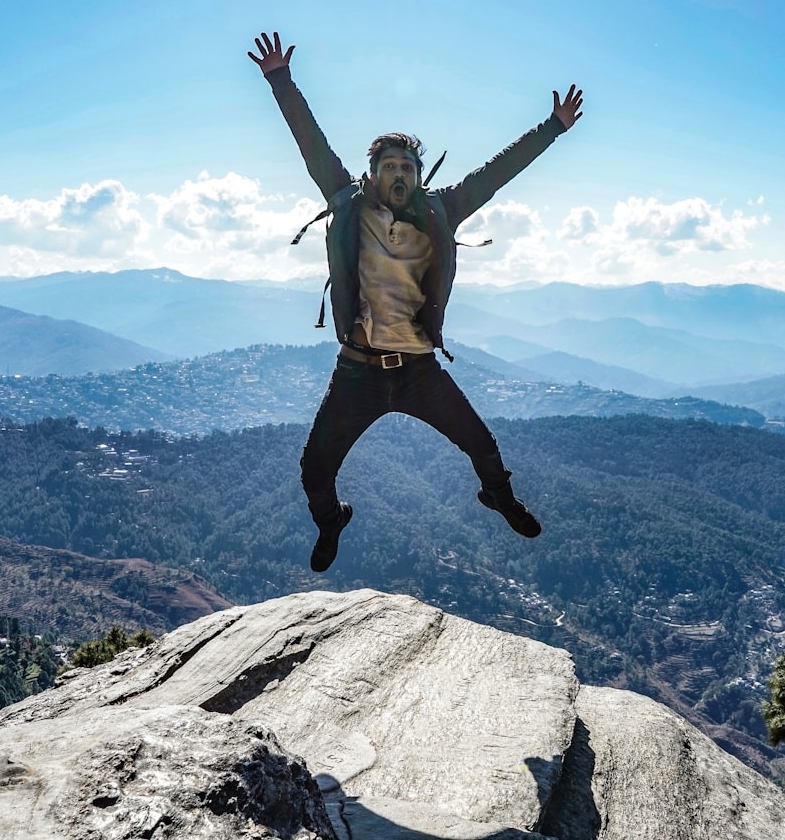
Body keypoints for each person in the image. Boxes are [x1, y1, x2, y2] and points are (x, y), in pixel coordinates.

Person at [249, 31, 584, 572]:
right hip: (357, 370)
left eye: (407, 167)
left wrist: (552, 129)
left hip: (418, 368)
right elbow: (311, 143)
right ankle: (332, 519)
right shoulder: (346, 202)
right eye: (390, 167)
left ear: (417, 174)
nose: (399, 174)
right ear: (373, 174)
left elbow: (496, 174)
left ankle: (497, 496)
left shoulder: (442, 211)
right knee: (314, 469)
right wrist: (280, 80)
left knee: (482, 443)